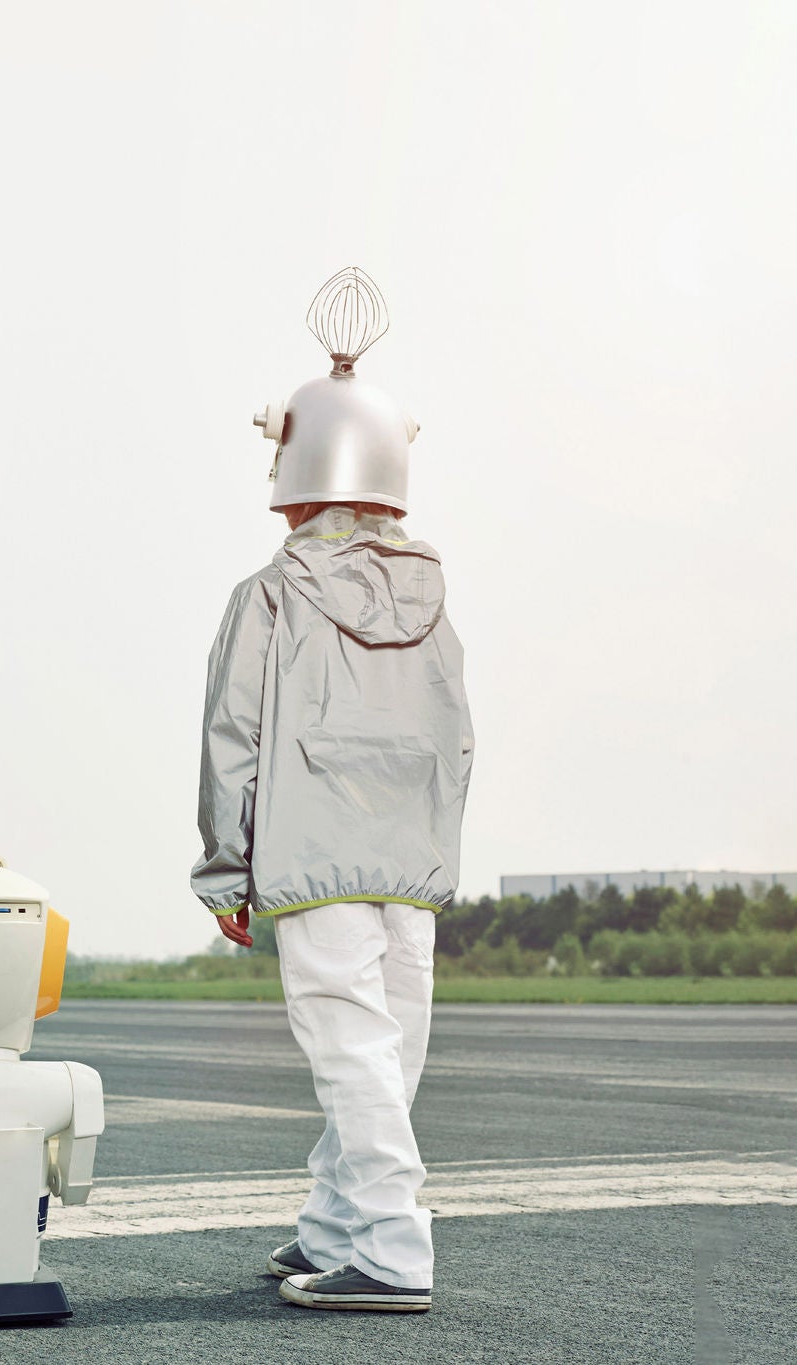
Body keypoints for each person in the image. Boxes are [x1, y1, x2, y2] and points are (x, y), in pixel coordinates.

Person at [192, 270, 473, 1314]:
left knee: (350, 1050)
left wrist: (224, 868)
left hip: (311, 856)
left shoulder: (268, 593)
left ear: (292, 473)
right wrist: (433, 856)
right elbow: (455, 739)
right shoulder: (434, 597)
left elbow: (232, 739)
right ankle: (332, 1226)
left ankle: (393, 1255)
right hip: (408, 864)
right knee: (383, 1050)